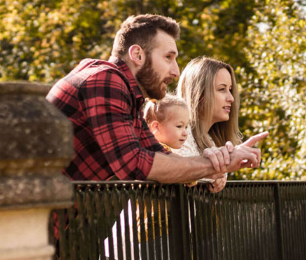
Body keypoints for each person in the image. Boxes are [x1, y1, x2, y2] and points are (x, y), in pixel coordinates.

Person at [46, 14, 267, 193]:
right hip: (21, 222)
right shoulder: (106, 80)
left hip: (37, 223)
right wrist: (214, 165)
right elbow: (135, 164)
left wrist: (217, 161)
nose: (176, 70)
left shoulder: (127, 96)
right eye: (168, 57)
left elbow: (158, 154)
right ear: (137, 55)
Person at [175, 56, 254, 189]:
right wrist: (211, 172)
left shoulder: (210, 140)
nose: (231, 98)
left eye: (230, 89)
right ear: (198, 93)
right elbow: (177, 172)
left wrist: (220, 177)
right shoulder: (179, 134)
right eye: (222, 89)